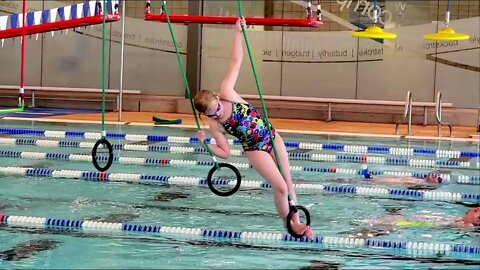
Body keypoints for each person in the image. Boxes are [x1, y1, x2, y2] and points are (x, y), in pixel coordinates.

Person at [193, 17, 314, 240]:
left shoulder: (227, 92)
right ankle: (289, 226)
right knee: (280, 187)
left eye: (217, 108)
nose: (218, 113)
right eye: (212, 114)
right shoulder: (215, 124)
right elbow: (225, 152)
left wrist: (237, 32)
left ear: (219, 99)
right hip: (255, 149)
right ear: (205, 115)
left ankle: (297, 222)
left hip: (272, 136)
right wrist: (205, 143)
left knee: (289, 182)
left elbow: (235, 60)